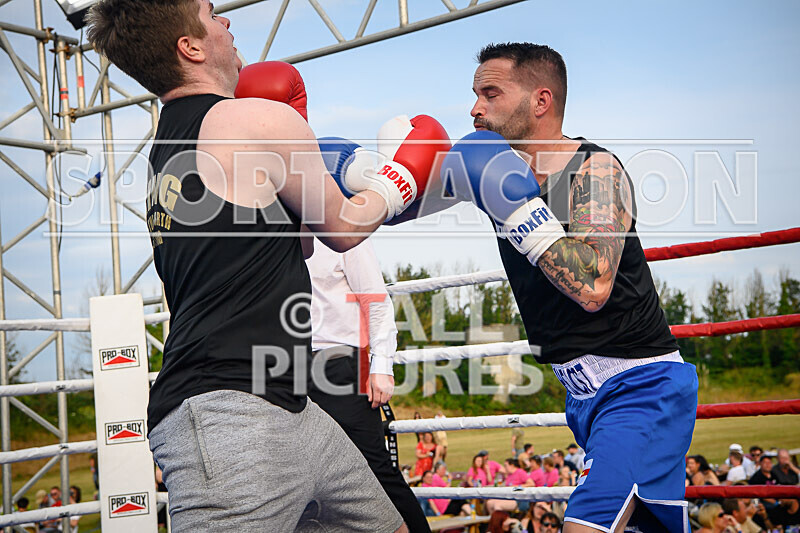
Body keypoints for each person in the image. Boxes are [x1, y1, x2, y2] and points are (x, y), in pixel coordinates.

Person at [86, 0, 447, 530]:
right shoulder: (254, 119)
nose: (227, 21)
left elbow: (297, 247)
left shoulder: (165, 147)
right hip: (227, 415)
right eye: (212, 14)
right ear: (190, 46)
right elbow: (343, 230)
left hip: (292, 405)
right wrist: (399, 178)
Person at [410, 42, 699, 532]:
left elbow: (593, 285)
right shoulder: (494, 170)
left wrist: (520, 211)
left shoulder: (594, 170)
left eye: (491, 93)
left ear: (540, 102)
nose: (475, 108)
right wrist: (366, 170)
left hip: (640, 386)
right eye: (475, 94)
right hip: (583, 395)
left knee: (584, 525)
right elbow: (399, 210)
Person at [237, 64, 428, 532]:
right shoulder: (261, 217)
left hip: (338, 365)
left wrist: (381, 366)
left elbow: (376, 301)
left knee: (374, 471)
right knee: (297, 484)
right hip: (280, 367)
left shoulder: (341, 220)